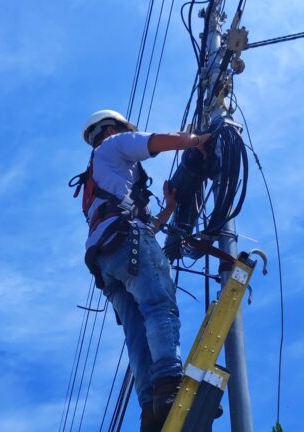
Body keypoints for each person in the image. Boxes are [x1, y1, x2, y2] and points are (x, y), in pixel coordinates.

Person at [77, 109, 210, 432]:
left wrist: (167, 210)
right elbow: (153, 142)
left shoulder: (96, 178)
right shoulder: (114, 145)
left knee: (135, 331)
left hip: (105, 259)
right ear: (113, 128)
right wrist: (195, 141)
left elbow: (144, 225)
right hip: (127, 240)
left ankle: (150, 409)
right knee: (159, 306)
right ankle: (168, 384)